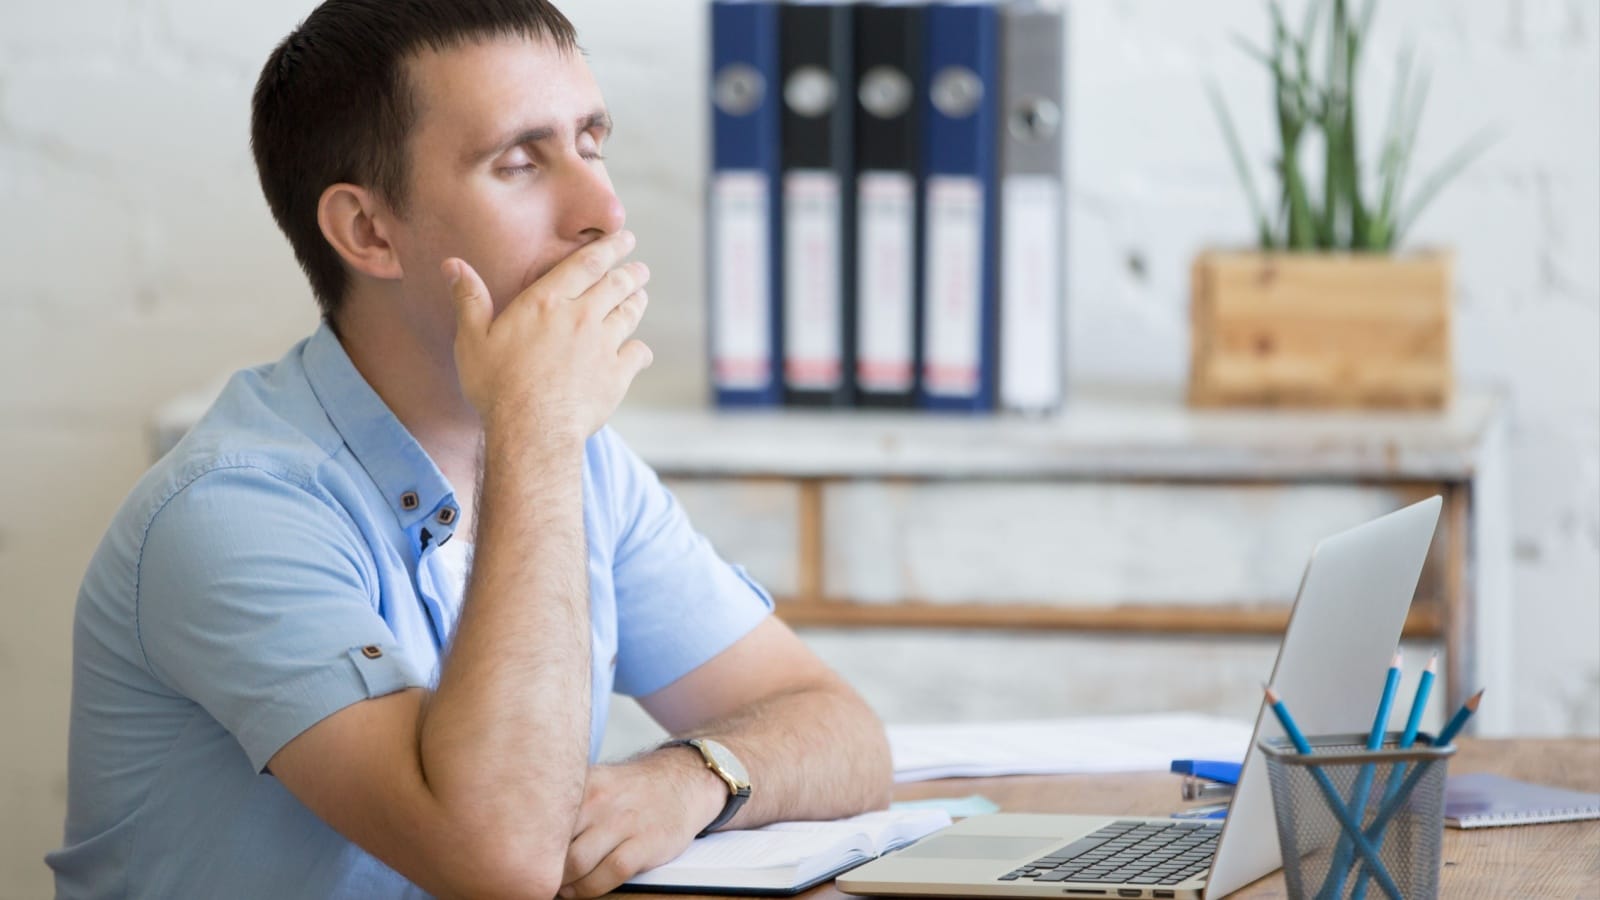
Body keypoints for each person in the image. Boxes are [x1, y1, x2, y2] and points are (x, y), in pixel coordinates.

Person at [46, 1, 893, 897]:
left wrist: (694, 778)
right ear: (369, 232)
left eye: (591, 144)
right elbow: (499, 865)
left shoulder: (587, 466)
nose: (603, 212)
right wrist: (534, 432)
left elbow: (843, 731)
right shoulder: (231, 513)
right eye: (521, 163)